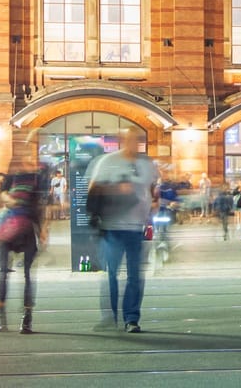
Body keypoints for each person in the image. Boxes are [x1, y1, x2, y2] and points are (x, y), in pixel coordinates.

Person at [85, 129, 159, 332]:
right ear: (121, 141)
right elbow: (93, 190)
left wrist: (151, 209)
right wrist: (117, 189)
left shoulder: (147, 164)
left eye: (137, 140)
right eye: (130, 139)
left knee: (135, 275)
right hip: (111, 227)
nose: (134, 143)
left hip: (136, 228)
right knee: (111, 274)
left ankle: (131, 318)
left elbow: (153, 191)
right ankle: (110, 314)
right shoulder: (107, 162)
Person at [0, 153, 49, 334]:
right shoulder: (12, 179)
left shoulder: (36, 179)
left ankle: (23, 318)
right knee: (7, 273)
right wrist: (1, 189)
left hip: (24, 229)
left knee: (24, 275)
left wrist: (43, 229)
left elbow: (42, 205)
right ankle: (6, 316)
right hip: (13, 230)